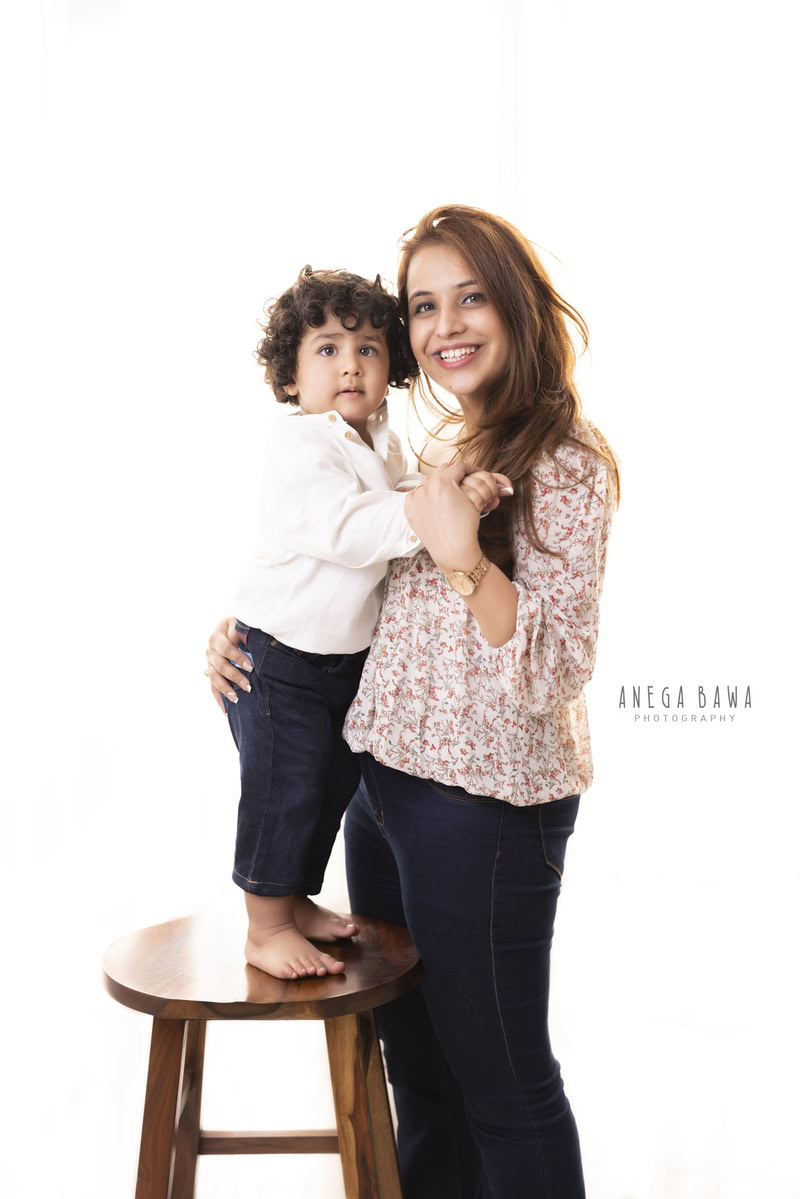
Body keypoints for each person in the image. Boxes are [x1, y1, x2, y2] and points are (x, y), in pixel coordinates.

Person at [206, 206, 619, 1197]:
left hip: (479, 813)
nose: (444, 324)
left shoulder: (560, 459)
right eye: (424, 305)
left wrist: (465, 556)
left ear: (515, 305)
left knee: (503, 1088)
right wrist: (246, 629)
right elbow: (356, 583)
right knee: (420, 1080)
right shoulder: (439, 446)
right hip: (381, 797)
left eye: (469, 296)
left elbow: (550, 665)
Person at [218, 265, 512, 982]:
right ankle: (265, 924)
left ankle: (294, 899)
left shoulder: (380, 443)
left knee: (327, 788)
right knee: (283, 787)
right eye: (327, 349)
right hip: (280, 658)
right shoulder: (299, 448)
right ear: (290, 377)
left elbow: (408, 495)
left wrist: (448, 491)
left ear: (393, 369)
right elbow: (351, 527)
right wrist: (435, 508)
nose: (351, 364)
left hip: (338, 662)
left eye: (370, 349)